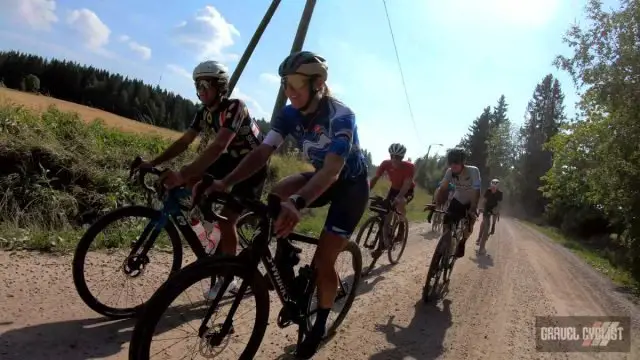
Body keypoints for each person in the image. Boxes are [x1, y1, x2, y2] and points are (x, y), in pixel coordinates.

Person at [202, 51, 369, 359]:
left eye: (295, 83)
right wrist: (226, 183)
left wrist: (299, 201)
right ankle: (284, 253)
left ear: (318, 83)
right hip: (321, 176)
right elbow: (262, 152)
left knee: (322, 263)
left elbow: (333, 170)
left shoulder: (341, 115)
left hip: (350, 187)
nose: (289, 91)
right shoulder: (290, 113)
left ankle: (318, 325)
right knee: (277, 193)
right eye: (285, 84)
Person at [141, 60, 268, 298]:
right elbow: (184, 142)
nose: (200, 92)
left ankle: (228, 277)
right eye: (197, 86)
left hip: (251, 166)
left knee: (228, 218)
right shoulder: (204, 112)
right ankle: (211, 233)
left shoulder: (235, 107)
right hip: (230, 159)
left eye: (205, 86)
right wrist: (154, 163)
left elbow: (219, 146)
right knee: (191, 184)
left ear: (220, 87)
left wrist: (182, 172)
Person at [432, 148, 481, 258]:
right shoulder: (449, 172)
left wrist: (473, 208)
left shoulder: (473, 171)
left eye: (456, 162)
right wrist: (435, 204)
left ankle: (462, 242)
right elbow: (443, 188)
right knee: (447, 220)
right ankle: (445, 244)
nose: (453, 165)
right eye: (451, 162)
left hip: (470, 200)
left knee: (469, 225)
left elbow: (476, 191)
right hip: (458, 199)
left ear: (463, 162)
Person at [369, 143, 414, 250]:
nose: (394, 159)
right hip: (394, 189)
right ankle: (385, 240)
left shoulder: (409, 166)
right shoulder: (385, 163)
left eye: (397, 157)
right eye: (392, 156)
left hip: (407, 190)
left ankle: (401, 226)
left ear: (402, 157)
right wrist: (366, 191)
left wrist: (399, 198)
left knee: (400, 203)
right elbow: (375, 178)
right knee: (387, 214)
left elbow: (407, 184)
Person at [476, 178, 503, 252]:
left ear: (497, 188)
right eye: (492, 187)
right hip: (487, 209)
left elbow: (499, 204)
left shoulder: (500, 193)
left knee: (491, 227)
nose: (493, 189)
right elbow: (484, 200)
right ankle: (480, 241)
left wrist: (494, 224)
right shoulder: (488, 191)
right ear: (491, 186)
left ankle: (484, 238)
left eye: (495, 188)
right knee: (486, 225)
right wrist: (480, 208)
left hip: (494, 209)